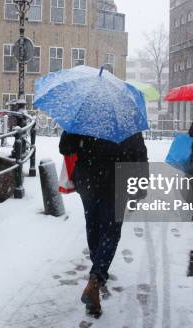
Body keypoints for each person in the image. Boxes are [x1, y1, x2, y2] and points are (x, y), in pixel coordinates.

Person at [59, 131, 148, 318]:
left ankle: (97, 270)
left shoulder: (85, 117)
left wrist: (75, 136)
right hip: (117, 182)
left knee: (93, 227)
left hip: (88, 180)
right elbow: (139, 154)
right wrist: (141, 186)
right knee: (111, 232)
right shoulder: (126, 119)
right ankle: (96, 277)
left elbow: (65, 148)